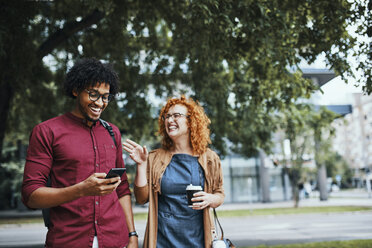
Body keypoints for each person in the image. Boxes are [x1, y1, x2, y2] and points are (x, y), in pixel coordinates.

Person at [22, 58, 138, 248]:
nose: (100, 103)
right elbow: (30, 196)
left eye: (105, 96)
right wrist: (82, 189)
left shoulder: (112, 132)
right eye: (93, 94)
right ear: (76, 90)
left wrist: (132, 235)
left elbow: (122, 188)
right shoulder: (46, 131)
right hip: (68, 240)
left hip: (115, 240)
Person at [123, 96, 225, 248]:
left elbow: (220, 194)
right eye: (167, 116)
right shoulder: (154, 157)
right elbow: (141, 198)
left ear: (191, 122)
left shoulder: (210, 158)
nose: (170, 120)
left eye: (176, 115)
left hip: (198, 240)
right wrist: (142, 165)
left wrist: (210, 199)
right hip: (162, 240)